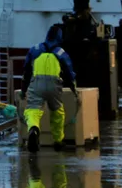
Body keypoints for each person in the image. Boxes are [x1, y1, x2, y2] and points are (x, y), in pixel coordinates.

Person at [21, 24, 78, 153]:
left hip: (36, 84)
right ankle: (58, 141)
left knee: (32, 111)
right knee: (57, 112)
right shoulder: (61, 52)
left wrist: (23, 91)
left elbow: (26, 72)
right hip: (54, 85)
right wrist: (74, 90)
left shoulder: (35, 49)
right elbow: (69, 73)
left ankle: (34, 130)